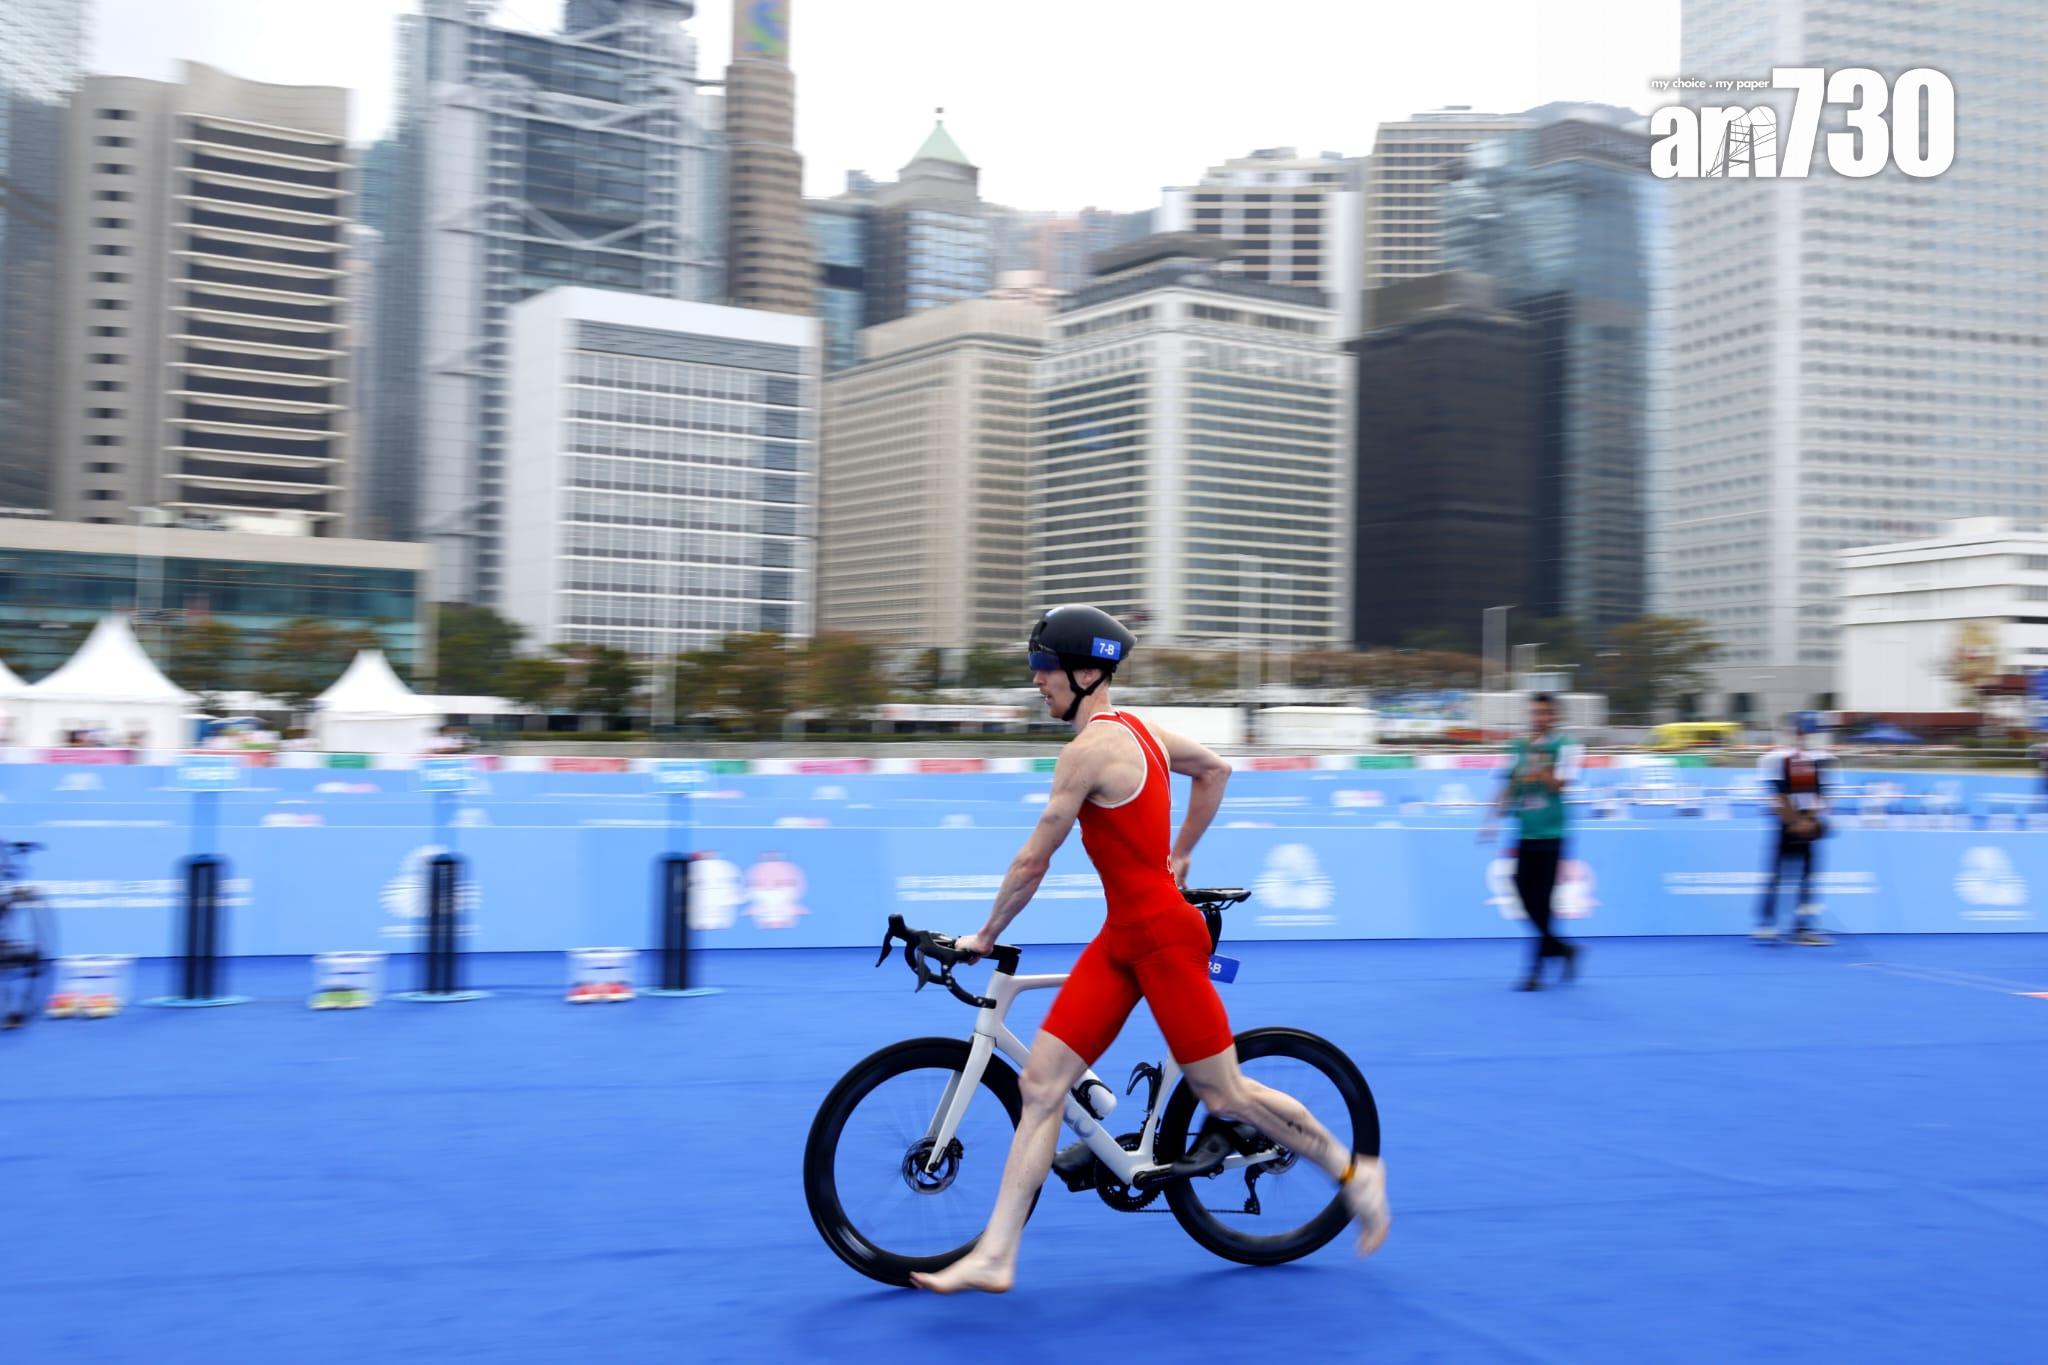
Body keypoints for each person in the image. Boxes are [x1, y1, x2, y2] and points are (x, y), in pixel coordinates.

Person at [909, 605, 1389, 1295]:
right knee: (1041, 1085)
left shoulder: (1089, 751)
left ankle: (1352, 1171)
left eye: (1043, 669)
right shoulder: (1143, 730)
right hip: (1123, 937)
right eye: (1035, 668)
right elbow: (1216, 769)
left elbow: (1033, 861)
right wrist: (1182, 851)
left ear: (1083, 672)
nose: (1036, 681)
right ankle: (996, 1255)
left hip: (1162, 939)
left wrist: (984, 934)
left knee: (1222, 1093)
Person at [1480, 693, 1583, 990]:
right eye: (1536, 713)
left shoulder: (1566, 747)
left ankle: (1534, 971)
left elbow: (1560, 785)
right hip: (1525, 832)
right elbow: (1509, 781)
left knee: (1543, 902)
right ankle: (1562, 947)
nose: (1540, 718)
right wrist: (1493, 816)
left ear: (1555, 717)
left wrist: (1541, 767)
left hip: (1553, 833)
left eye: (1546, 714)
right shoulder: (1518, 746)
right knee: (1524, 896)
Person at [1756, 714, 1834, 946]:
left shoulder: (1820, 760)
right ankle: (1766, 925)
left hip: (1808, 828)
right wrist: (1793, 823)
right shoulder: (1777, 759)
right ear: (1793, 733)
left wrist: (1809, 821)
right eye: (1801, 731)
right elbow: (1778, 796)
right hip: (1786, 827)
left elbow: (1821, 794)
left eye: (1809, 732)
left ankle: (1803, 928)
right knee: (1776, 876)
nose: (1805, 736)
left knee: (1808, 879)